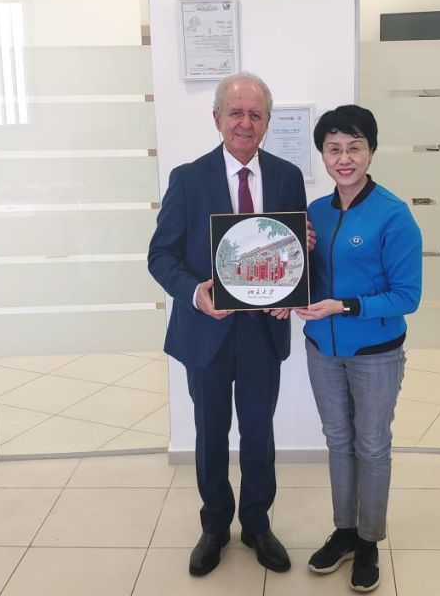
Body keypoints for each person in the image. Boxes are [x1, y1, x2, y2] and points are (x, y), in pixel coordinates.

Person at [147, 72, 309, 577]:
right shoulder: (188, 179)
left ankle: (257, 524)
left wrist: (294, 283)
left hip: (263, 333)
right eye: (235, 112)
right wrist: (195, 293)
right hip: (206, 333)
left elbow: (294, 252)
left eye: (255, 114)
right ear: (216, 118)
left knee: (259, 433)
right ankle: (215, 525)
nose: (245, 122)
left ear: (267, 122)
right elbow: (161, 255)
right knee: (210, 434)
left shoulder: (287, 177)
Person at [294, 105, 422, 592]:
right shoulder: (314, 213)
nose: (344, 158)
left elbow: (407, 296)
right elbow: (303, 276)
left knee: (371, 445)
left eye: (354, 147)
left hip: (376, 354)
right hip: (321, 351)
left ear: (371, 151)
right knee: (338, 441)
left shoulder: (394, 214)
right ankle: (344, 531)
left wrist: (344, 306)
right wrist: (291, 291)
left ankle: (369, 540)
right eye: (334, 149)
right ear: (322, 155)